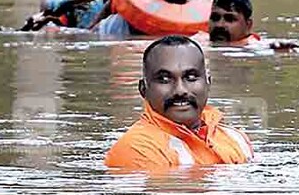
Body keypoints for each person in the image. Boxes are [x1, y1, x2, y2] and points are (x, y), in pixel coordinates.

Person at [105, 36, 253, 171]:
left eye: (191, 77)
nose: (180, 90)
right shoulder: (136, 150)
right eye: (164, 79)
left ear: (208, 83)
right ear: (143, 89)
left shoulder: (236, 139)